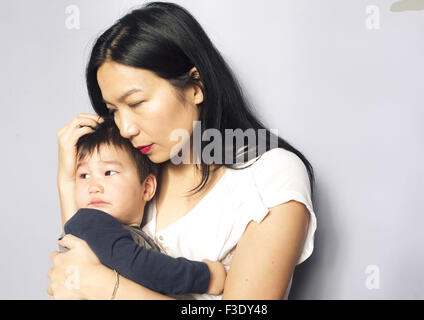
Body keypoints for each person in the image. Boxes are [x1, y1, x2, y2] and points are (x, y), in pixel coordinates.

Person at [48, 1, 317, 300]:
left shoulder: (269, 177)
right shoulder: (129, 175)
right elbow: (77, 260)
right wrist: (68, 179)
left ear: (195, 86)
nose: (125, 128)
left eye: (136, 103)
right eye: (113, 111)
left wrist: (106, 288)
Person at [58, 118, 225, 296]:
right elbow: (141, 267)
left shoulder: (122, 232)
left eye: (109, 172)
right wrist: (206, 277)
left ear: (146, 188)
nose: (94, 186)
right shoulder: (90, 222)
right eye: (83, 175)